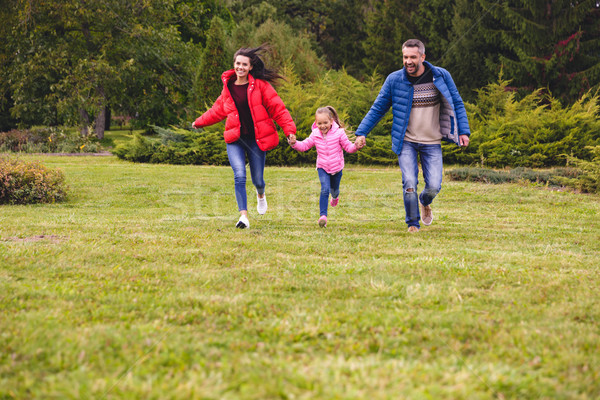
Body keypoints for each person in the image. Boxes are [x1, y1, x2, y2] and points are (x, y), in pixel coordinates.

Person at [354, 39, 470, 233]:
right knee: (409, 182)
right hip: (406, 140)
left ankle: (425, 201)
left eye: (413, 57)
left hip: (432, 141)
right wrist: (361, 132)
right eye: (405, 57)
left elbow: (457, 102)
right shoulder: (394, 80)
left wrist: (463, 131)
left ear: (423, 57)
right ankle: (413, 224)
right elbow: (378, 108)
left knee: (433, 185)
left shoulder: (440, 76)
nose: (408, 61)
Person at [192, 45, 297, 229]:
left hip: (257, 140)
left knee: (258, 179)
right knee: (239, 175)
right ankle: (244, 217)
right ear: (234, 65)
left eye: (244, 64)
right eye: (237, 63)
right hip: (235, 140)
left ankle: (261, 194)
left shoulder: (261, 86)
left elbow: (278, 109)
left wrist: (289, 130)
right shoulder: (228, 88)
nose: (240, 67)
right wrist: (199, 122)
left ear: (250, 67)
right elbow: (217, 110)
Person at [288, 106, 359, 227]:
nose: (322, 126)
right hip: (322, 167)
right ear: (316, 123)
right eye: (319, 123)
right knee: (325, 189)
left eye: (325, 123)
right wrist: (294, 143)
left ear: (331, 121)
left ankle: (335, 197)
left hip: (337, 167)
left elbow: (348, 147)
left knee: (334, 190)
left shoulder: (339, 133)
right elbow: (304, 145)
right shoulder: (315, 134)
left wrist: (356, 146)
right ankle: (323, 217)